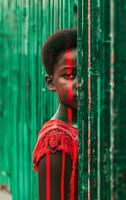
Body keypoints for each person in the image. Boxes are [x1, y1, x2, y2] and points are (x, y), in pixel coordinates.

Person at [33, 29, 78, 200]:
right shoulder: (56, 141)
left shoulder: (87, 127)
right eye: (68, 75)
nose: (80, 83)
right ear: (51, 82)